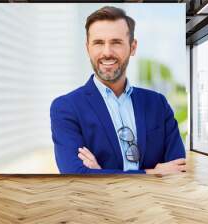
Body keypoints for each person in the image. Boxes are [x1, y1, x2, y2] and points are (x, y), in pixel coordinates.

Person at [50, 6, 186, 174]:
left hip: (155, 200)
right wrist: (151, 173)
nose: (107, 52)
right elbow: (75, 175)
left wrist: (101, 174)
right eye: (98, 43)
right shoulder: (66, 108)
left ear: (133, 47)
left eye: (116, 42)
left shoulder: (158, 103)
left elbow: (178, 168)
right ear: (88, 48)